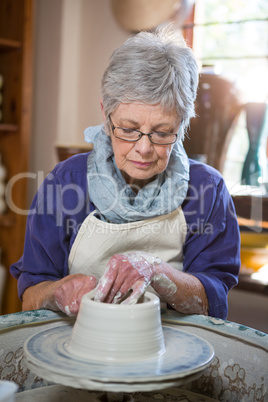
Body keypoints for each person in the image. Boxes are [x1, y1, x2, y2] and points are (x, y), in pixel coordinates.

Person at [10, 28, 240, 319]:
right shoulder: (66, 182)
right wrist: (56, 294)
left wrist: (158, 271)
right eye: (129, 130)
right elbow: (30, 296)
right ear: (106, 115)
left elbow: (212, 302)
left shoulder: (207, 189)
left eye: (162, 132)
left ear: (182, 125)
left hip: (169, 352)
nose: (143, 148)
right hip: (82, 346)